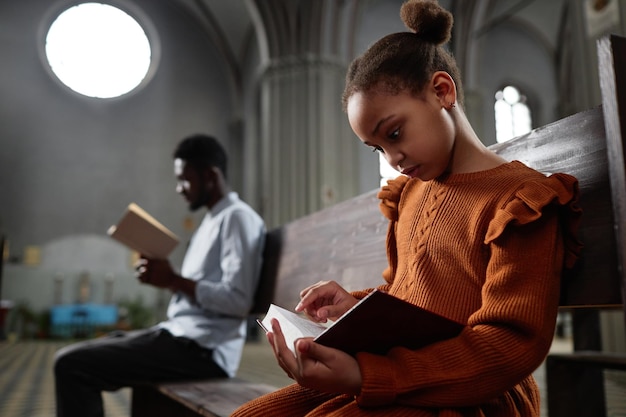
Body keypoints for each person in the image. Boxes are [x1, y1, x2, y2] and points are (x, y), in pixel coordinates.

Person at [232, 1, 582, 416]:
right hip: (400, 371)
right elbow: (409, 299)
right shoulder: (411, 195)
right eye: (378, 147)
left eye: (394, 133)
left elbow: (508, 345)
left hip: (473, 391)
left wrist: (366, 376)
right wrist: (353, 307)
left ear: (442, 91)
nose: (392, 159)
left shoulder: (519, 201)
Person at [54, 134, 266, 417]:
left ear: (210, 175)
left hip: (203, 350)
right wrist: (165, 278)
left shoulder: (237, 217)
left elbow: (238, 301)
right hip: (179, 337)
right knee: (93, 349)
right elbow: (198, 291)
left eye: (184, 180)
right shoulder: (212, 220)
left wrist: (173, 280)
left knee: (72, 364)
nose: (179, 189)